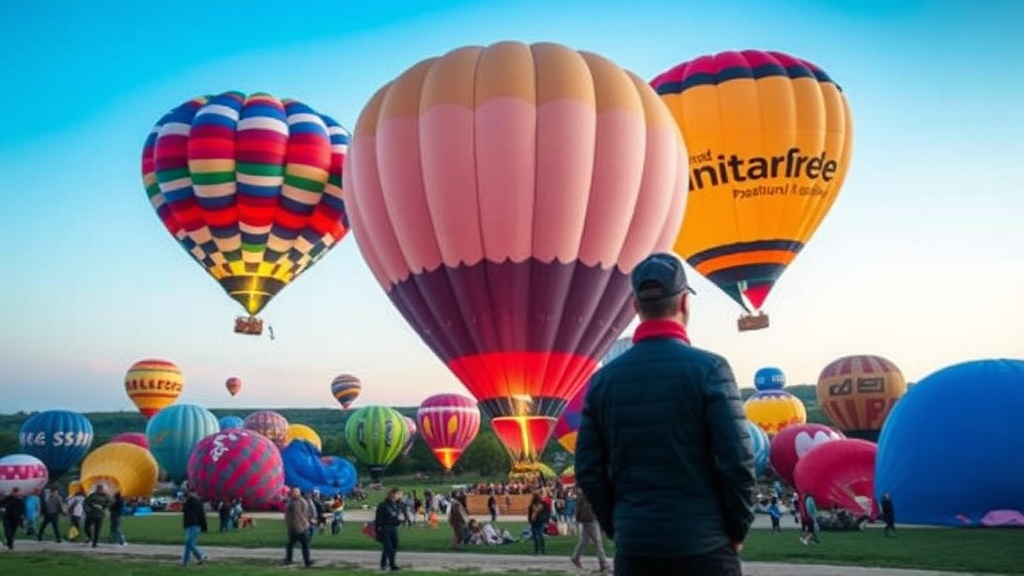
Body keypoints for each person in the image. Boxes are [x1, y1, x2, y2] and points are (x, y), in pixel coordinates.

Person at [575, 252, 757, 576]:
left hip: (636, 548)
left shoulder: (603, 381)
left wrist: (621, 527)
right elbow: (738, 462)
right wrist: (737, 529)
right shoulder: (711, 369)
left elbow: (588, 470)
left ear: (635, 308)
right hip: (704, 544)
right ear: (685, 302)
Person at [569, 488, 609, 572]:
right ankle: (603, 563)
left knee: (585, 540)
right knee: (598, 542)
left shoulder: (583, 494)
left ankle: (576, 557)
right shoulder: (587, 494)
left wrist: (577, 518)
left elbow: (578, 508)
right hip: (590, 518)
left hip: (587, 518)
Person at [374, 487, 403, 571]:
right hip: (385, 528)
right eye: (395, 495)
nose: (396, 497)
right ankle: (392, 564)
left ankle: (384, 564)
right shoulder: (383, 505)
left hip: (394, 527)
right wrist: (377, 529)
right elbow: (378, 518)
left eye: (397, 495)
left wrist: (399, 520)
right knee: (388, 546)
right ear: (390, 495)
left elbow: (397, 516)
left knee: (394, 545)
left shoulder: (396, 505)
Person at [283, 487, 313, 567]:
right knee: (290, 545)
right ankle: (289, 559)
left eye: (296, 491)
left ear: (299, 493)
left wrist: (300, 527)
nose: (294, 493)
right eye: (293, 491)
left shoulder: (300, 502)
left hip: (300, 528)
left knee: (304, 545)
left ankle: (307, 561)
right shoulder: (291, 501)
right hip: (293, 528)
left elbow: (299, 516)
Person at [181, 489, 208, 566]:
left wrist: (204, 526)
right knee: (189, 544)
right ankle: (186, 562)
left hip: (194, 525)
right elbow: (201, 515)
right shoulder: (190, 503)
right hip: (191, 525)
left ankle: (200, 556)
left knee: (189, 543)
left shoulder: (194, 502)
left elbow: (201, 515)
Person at [83, 484, 112, 548]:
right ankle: (90, 536)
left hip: (99, 515)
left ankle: (94, 544)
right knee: (86, 527)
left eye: (101, 489)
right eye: (99, 489)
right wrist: (87, 510)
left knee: (97, 529)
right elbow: (85, 503)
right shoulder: (92, 496)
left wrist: (103, 506)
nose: (100, 490)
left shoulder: (106, 496)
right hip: (91, 514)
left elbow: (110, 503)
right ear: (97, 489)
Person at [526, 491, 549, 556]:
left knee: (540, 536)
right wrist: (529, 520)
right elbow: (529, 513)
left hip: (539, 521)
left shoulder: (543, 504)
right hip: (534, 522)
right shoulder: (532, 505)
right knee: (536, 536)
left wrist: (544, 519)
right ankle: (537, 550)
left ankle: (542, 550)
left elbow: (546, 512)